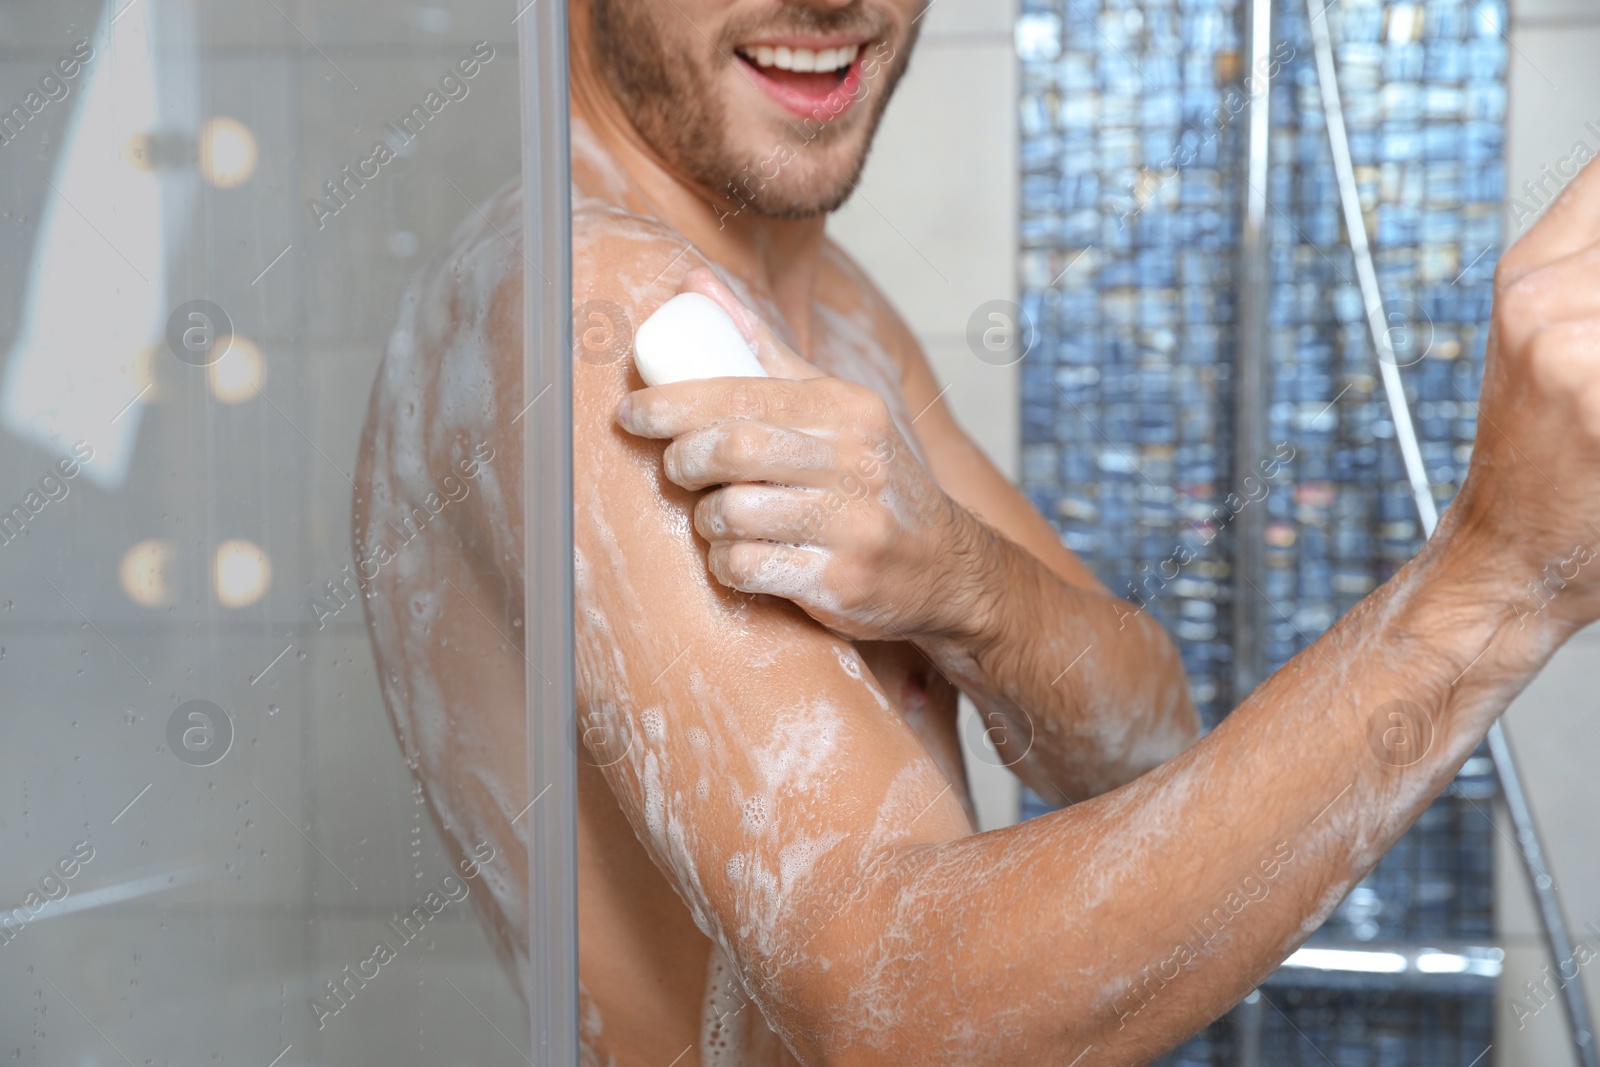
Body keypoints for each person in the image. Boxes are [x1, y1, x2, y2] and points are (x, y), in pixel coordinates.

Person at [354, 0, 1600, 1061]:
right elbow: (896, 1010)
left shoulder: (807, 290)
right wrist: (1497, 578)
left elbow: (1141, 733)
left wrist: (956, 577)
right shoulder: (593, 308)